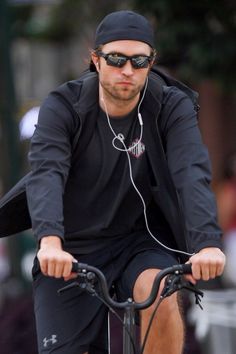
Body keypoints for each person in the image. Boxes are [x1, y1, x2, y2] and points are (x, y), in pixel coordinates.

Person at [25, 10, 225, 354]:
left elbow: (190, 171)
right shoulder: (64, 106)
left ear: (152, 62)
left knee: (161, 295)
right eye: (116, 59)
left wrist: (205, 243)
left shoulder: (170, 106)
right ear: (95, 59)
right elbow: (47, 172)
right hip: (73, 247)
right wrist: (50, 242)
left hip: (142, 240)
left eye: (139, 61)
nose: (127, 71)